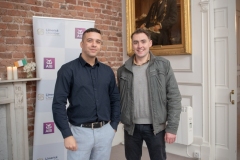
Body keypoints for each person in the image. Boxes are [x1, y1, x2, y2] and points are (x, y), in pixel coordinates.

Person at [52, 28, 121, 160]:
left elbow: (115, 99)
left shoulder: (107, 71)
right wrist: (67, 134)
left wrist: (114, 125)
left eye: (98, 41)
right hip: (79, 133)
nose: (94, 44)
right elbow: (58, 104)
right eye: (89, 41)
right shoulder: (67, 70)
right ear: (82, 44)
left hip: (105, 131)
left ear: (100, 45)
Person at [117, 28, 181, 160]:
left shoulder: (163, 65)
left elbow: (174, 97)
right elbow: (120, 99)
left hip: (156, 127)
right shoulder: (123, 70)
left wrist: (172, 128)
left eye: (143, 41)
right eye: (135, 42)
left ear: (150, 43)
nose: (139, 46)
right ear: (132, 45)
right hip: (131, 128)